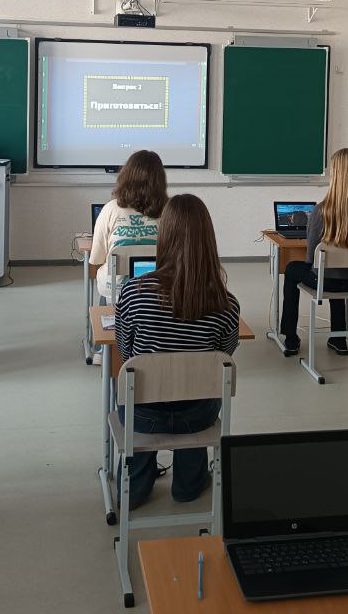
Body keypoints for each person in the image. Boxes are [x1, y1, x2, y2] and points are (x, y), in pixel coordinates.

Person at [114, 194, 240, 509]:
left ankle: (136, 488)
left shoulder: (134, 293)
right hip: (197, 417)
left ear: (164, 236)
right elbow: (223, 359)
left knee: (135, 392)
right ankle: (188, 485)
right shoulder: (226, 304)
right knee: (199, 388)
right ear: (208, 240)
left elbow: (126, 353)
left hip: (143, 416)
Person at [278, 147, 348, 358]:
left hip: (326, 281)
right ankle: (338, 339)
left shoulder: (322, 210)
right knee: (335, 270)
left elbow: (311, 258)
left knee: (292, 269)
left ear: (336, 174)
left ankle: (291, 337)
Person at [89, 149, 168, 301]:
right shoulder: (170, 210)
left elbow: (96, 259)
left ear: (126, 176)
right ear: (160, 180)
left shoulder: (110, 209)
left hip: (116, 291)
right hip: (158, 288)